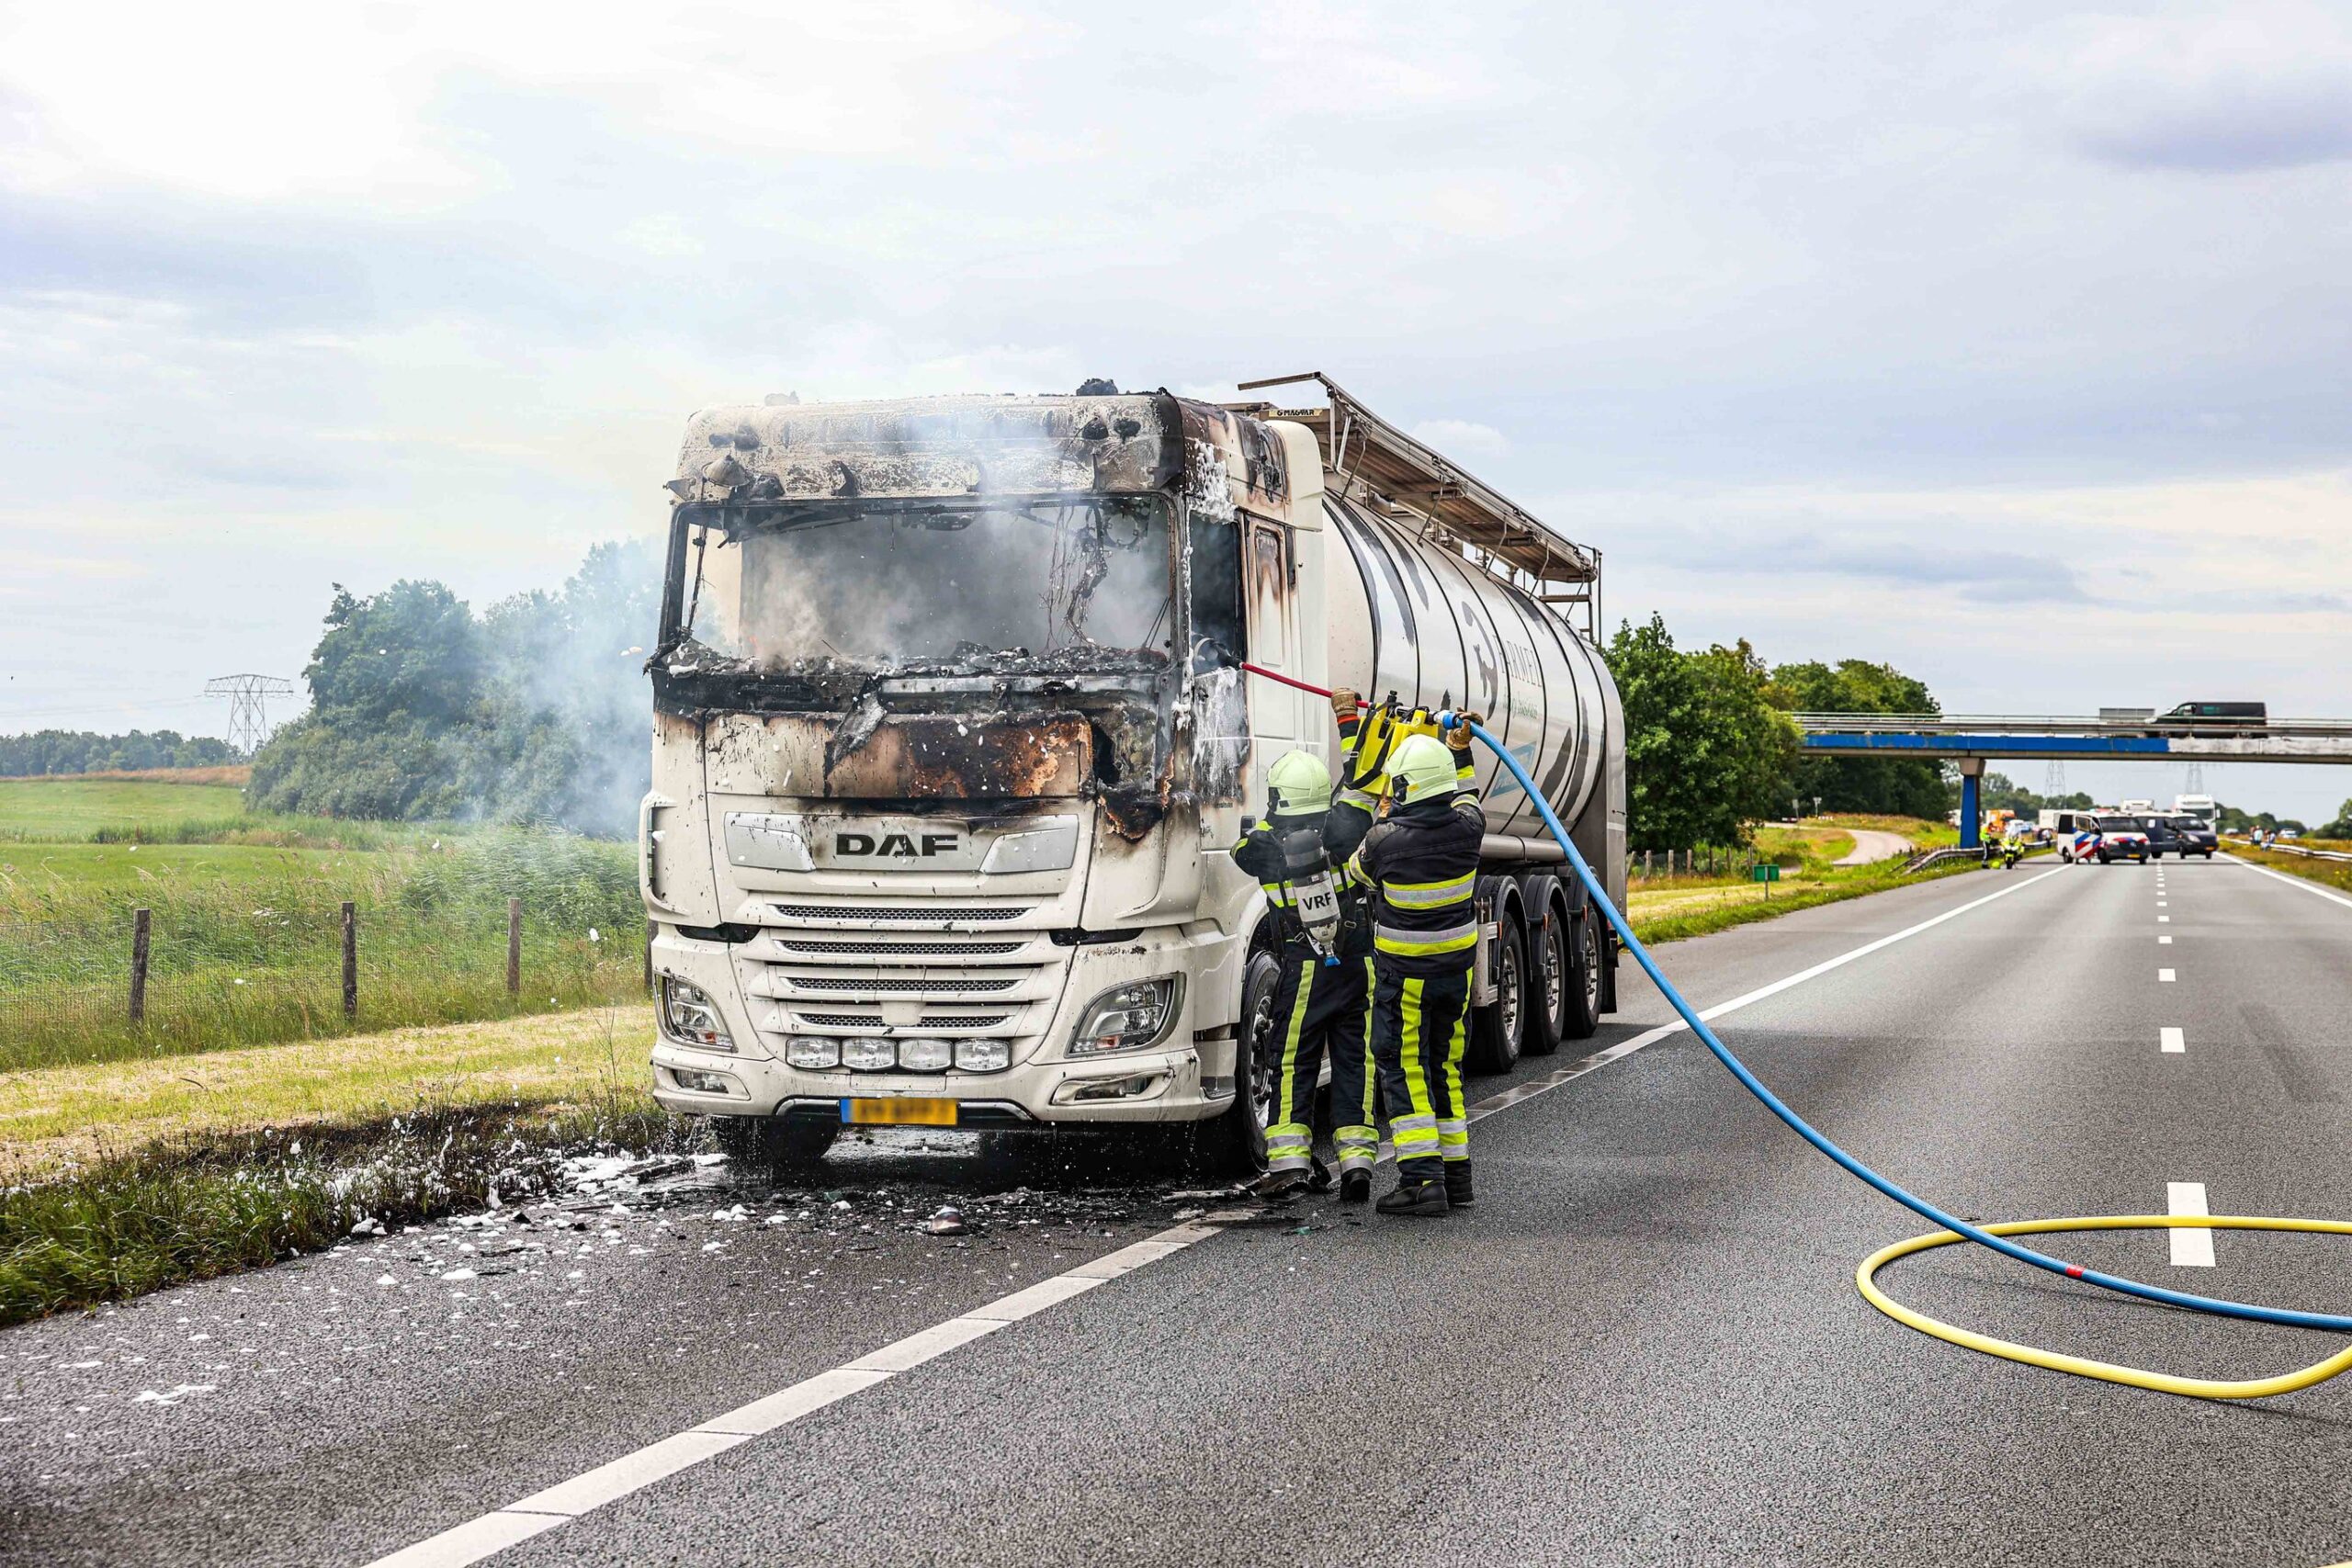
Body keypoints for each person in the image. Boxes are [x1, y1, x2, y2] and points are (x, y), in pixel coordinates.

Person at [1229, 722, 1379, 1202]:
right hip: (1358, 964)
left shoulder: (1267, 849)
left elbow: (1240, 848)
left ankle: (1291, 1163)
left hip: (1306, 965)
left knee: (1293, 1059)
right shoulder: (1345, 829)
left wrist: (1276, 817)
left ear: (1279, 800)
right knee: (1356, 1061)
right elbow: (1359, 788)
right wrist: (1354, 728)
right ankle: (1357, 1163)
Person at [1348, 713, 1486, 1217]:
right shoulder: (1470, 828)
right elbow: (1468, 795)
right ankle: (1457, 1176)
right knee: (1445, 1066)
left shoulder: (1387, 840)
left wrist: (1380, 810)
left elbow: (1357, 871)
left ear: (1408, 786)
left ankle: (1422, 1180)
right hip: (1456, 973)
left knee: (1403, 1066)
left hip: (1404, 977)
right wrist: (1461, 748)